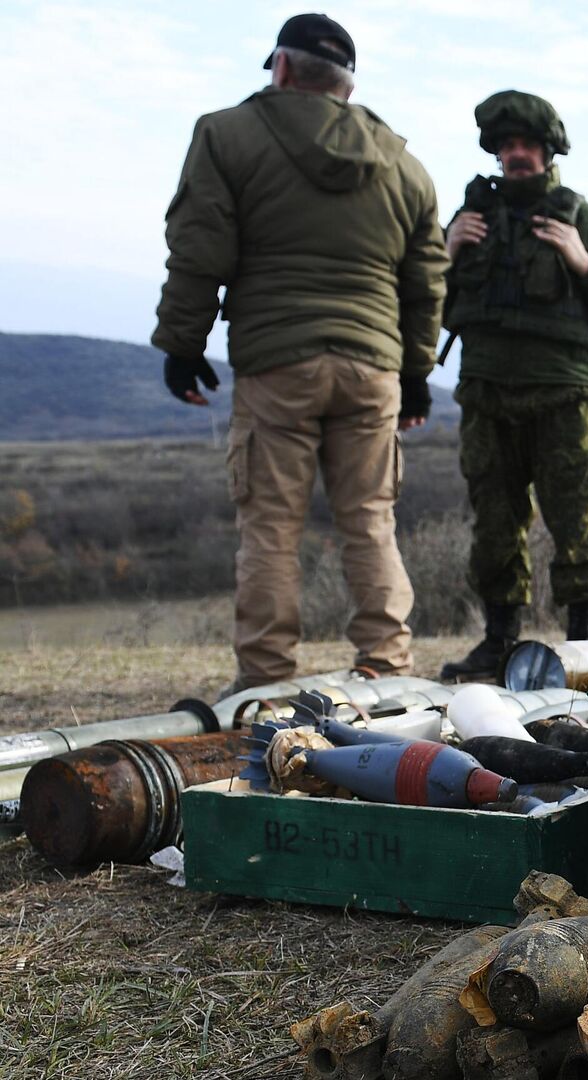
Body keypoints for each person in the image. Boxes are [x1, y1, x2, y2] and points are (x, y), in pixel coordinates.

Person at [153, 14, 448, 693]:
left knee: (270, 528)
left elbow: (200, 248)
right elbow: (427, 277)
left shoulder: (226, 135)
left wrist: (182, 342)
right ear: (346, 87)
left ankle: (263, 680)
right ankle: (388, 667)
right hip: (373, 366)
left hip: (277, 359)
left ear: (281, 68)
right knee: (370, 520)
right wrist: (416, 372)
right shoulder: (404, 165)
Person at [438, 90, 588, 680]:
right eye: (505, 145)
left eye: (527, 144)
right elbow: (423, 308)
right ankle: (498, 640)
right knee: (493, 523)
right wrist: (444, 254)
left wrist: (585, 263)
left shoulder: (582, 219)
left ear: (548, 149)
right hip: (487, 398)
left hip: (564, 400)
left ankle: (586, 639)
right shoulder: (467, 223)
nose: (516, 155)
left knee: (579, 522)